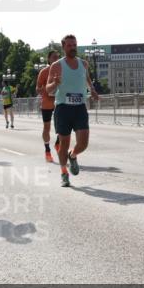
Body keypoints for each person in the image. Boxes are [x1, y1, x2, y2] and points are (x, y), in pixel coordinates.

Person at [45, 35, 99, 187]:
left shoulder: (84, 63)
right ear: (63, 47)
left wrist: (92, 90)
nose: (72, 47)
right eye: (69, 45)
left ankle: (73, 155)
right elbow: (48, 90)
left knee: (83, 143)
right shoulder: (56, 66)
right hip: (63, 108)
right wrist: (54, 83)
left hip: (80, 107)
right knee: (64, 143)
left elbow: (86, 79)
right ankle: (64, 173)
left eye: (74, 45)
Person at [36, 50, 61, 162]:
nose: (56, 59)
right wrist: (46, 90)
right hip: (47, 103)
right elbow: (37, 89)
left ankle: (58, 143)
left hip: (60, 102)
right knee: (47, 128)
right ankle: (47, 150)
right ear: (49, 59)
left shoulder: (62, 70)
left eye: (57, 57)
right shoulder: (44, 71)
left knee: (63, 126)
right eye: (54, 57)